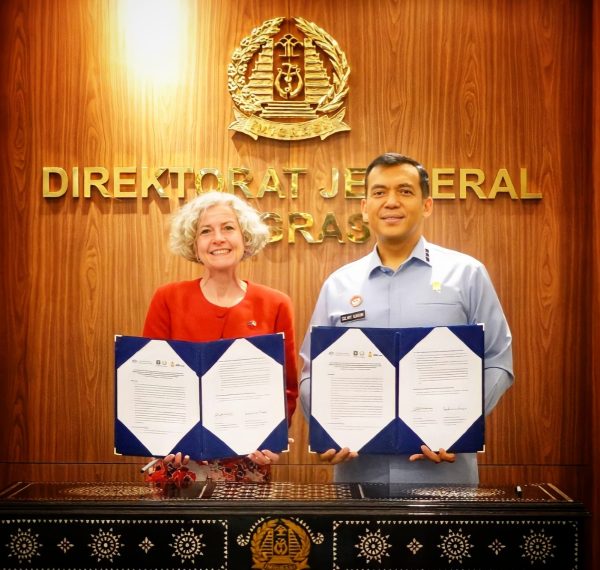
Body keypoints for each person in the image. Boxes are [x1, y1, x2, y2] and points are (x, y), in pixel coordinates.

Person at [299, 153, 513, 484]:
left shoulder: (467, 275)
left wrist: (457, 426)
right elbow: (312, 372)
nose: (391, 202)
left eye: (405, 191)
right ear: (365, 206)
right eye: (380, 192)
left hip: (444, 477)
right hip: (359, 476)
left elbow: (498, 360)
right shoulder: (338, 285)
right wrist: (328, 429)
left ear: (427, 204)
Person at [143, 191, 298, 482]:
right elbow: (152, 381)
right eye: (206, 231)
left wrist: (272, 437)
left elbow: (286, 387)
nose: (218, 238)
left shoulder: (276, 303)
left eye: (228, 227)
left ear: (245, 237)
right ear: (194, 244)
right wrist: (161, 438)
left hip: (248, 461)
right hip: (177, 462)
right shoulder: (167, 298)